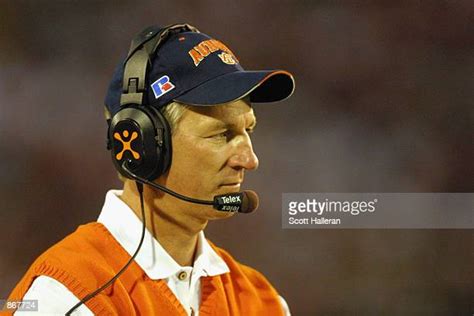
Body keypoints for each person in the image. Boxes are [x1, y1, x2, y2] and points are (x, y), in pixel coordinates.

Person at [8, 23, 295, 315]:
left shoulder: (261, 302)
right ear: (146, 145)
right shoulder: (66, 297)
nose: (249, 160)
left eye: (249, 130)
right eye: (222, 134)